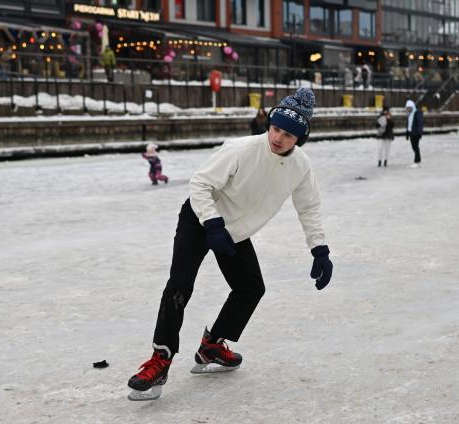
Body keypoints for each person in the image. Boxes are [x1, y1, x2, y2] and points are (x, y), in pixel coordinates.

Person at [127, 87, 334, 401]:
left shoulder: (301, 167)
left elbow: (309, 207)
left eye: (289, 135)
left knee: (251, 287)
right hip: (199, 219)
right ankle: (161, 359)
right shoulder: (242, 149)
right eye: (276, 128)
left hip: (234, 230)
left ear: (300, 139)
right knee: (179, 285)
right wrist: (211, 223)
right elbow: (200, 183)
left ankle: (212, 345)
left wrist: (319, 248)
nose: (278, 138)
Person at [405, 100, 424, 168]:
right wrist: (407, 133)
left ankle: (417, 161)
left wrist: (419, 133)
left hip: (416, 133)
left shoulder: (417, 113)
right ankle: (418, 161)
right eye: (407, 108)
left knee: (415, 147)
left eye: (409, 108)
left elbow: (420, 123)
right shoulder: (409, 114)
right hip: (411, 133)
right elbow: (409, 124)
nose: (408, 109)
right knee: (414, 147)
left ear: (412, 107)